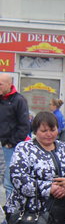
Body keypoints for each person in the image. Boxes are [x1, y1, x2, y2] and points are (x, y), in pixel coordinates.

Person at [0, 72, 30, 200]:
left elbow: (24, 126)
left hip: (9, 147)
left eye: (0, 84)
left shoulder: (19, 100)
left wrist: (11, 143)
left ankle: (9, 215)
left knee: (8, 183)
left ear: (9, 84)